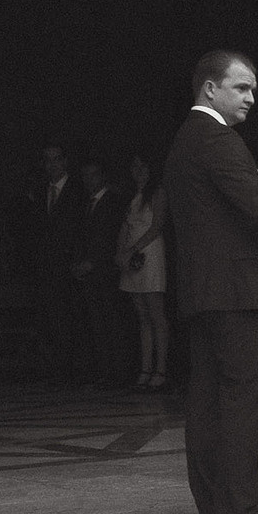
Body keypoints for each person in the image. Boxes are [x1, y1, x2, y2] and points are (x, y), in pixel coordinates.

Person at [166, 50, 258, 514]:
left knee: (207, 403)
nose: (251, 97)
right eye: (241, 87)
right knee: (242, 405)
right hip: (241, 293)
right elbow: (255, 206)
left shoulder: (187, 139)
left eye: (252, 88)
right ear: (210, 88)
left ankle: (217, 511)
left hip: (206, 294)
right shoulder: (219, 140)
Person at [30, 141, 92, 384]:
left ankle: (78, 372)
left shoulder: (77, 190)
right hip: (48, 268)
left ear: (65, 162)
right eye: (48, 159)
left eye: (57, 159)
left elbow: (81, 227)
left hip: (70, 266)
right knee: (53, 321)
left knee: (75, 320)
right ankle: (60, 372)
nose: (52, 164)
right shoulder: (41, 190)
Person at [116, 154, 170, 392]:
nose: (138, 170)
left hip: (150, 252)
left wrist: (133, 250)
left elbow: (157, 226)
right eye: (134, 166)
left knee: (156, 314)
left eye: (142, 165)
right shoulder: (131, 196)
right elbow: (125, 225)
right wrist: (120, 253)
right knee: (142, 316)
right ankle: (145, 368)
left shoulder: (157, 192)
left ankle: (161, 369)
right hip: (131, 253)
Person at [79, 158, 132, 388]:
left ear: (102, 176)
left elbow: (110, 237)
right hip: (91, 273)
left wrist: (93, 262)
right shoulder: (87, 204)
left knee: (112, 322)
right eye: (85, 176)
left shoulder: (112, 202)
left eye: (93, 175)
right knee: (98, 323)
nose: (88, 180)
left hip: (106, 271)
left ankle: (118, 372)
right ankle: (106, 370)